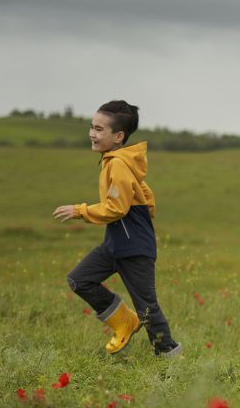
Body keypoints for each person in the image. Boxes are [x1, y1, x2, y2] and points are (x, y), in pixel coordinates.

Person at [53, 100, 181, 358]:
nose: (92, 133)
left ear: (118, 136)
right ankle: (124, 322)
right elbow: (145, 192)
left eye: (100, 129)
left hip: (133, 246)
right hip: (116, 242)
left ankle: (170, 357)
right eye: (92, 127)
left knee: (147, 308)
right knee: (80, 280)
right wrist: (144, 210)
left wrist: (80, 210)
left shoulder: (119, 164)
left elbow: (116, 208)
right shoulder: (114, 161)